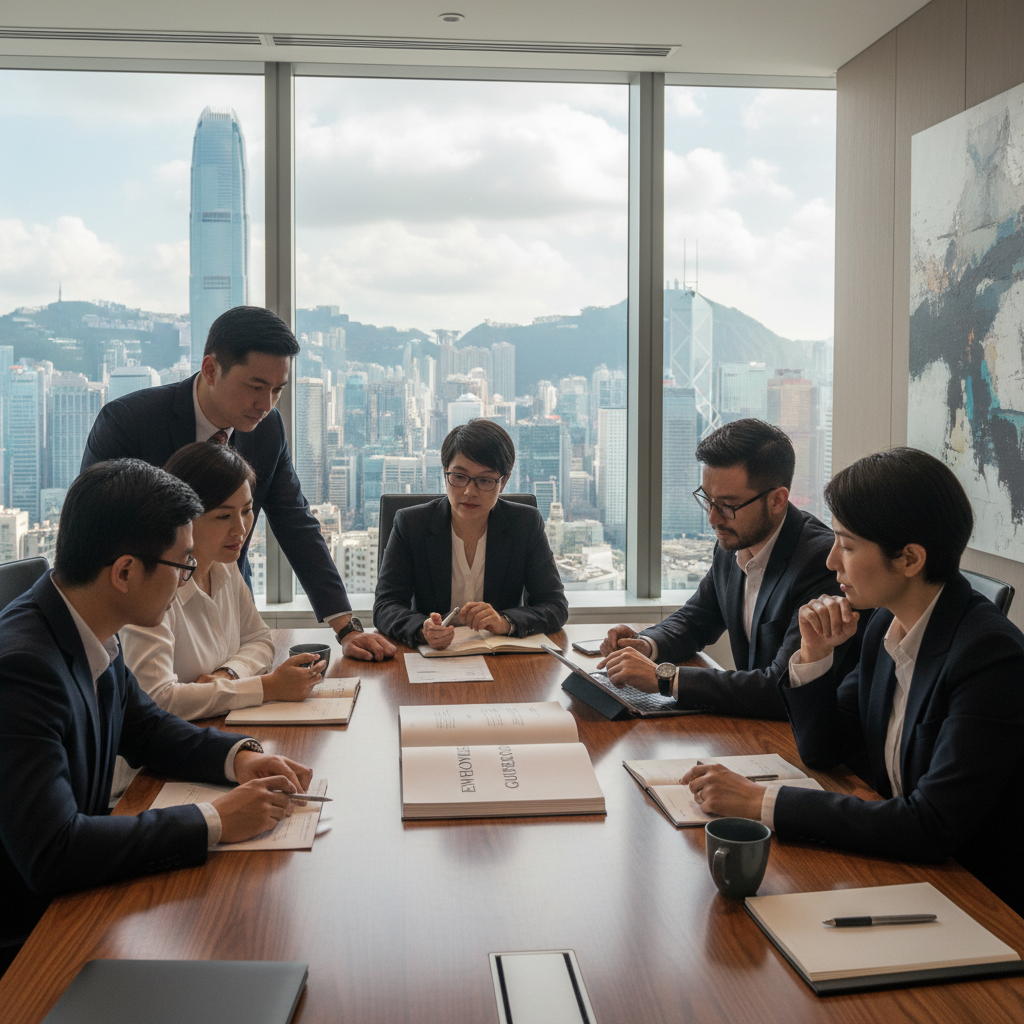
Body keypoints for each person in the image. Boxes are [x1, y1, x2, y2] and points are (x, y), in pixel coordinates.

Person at [0, 460, 314, 974]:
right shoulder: (22, 669)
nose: (190, 578)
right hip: (35, 938)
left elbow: (145, 727)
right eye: (183, 563)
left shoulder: (90, 623)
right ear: (124, 571)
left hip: (84, 893)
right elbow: (53, 851)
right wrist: (215, 820)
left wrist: (239, 758)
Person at [682, 447, 1024, 915]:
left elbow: (929, 826)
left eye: (846, 544)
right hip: (901, 871)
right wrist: (814, 656)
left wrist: (763, 802)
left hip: (977, 901)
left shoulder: (991, 658)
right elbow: (826, 749)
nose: (830, 562)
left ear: (909, 559)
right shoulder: (884, 624)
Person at [81, 304, 394, 663]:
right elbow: (97, 533)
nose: (266, 404)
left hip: (224, 612)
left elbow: (295, 522)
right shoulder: (130, 423)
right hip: (140, 624)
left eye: (277, 389)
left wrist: (346, 627)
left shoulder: (268, 429)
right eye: (255, 387)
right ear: (211, 369)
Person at [597, 419, 857, 719]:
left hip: (799, 736)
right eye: (708, 500)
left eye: (728, 505)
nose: (713, 519)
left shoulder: (820, 562)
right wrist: (644, 645)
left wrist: (666, 678)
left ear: (777, 500)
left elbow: (781, 686)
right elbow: (697, 619)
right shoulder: (734, 540)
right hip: (755, 726)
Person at [120, 442, 327, 722]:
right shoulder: (151, 586)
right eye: (223, 516)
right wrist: (266, 687)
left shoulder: (223, 566)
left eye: (247, 510)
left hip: (214, 730)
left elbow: (259, 639)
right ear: (182, 518)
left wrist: (228, 676)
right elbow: (156, 699)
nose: (241, 529)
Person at [373, 419, 568, 647]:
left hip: (501, 659)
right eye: (459, 476)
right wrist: (421, 628)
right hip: (431, 660)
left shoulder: (525, 524)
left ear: (503, 482)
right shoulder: (411, 524)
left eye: (484, 480)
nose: (469, 491)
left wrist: (505, 622)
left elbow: (555, 605)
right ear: (445, 472)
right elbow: (385, 605)